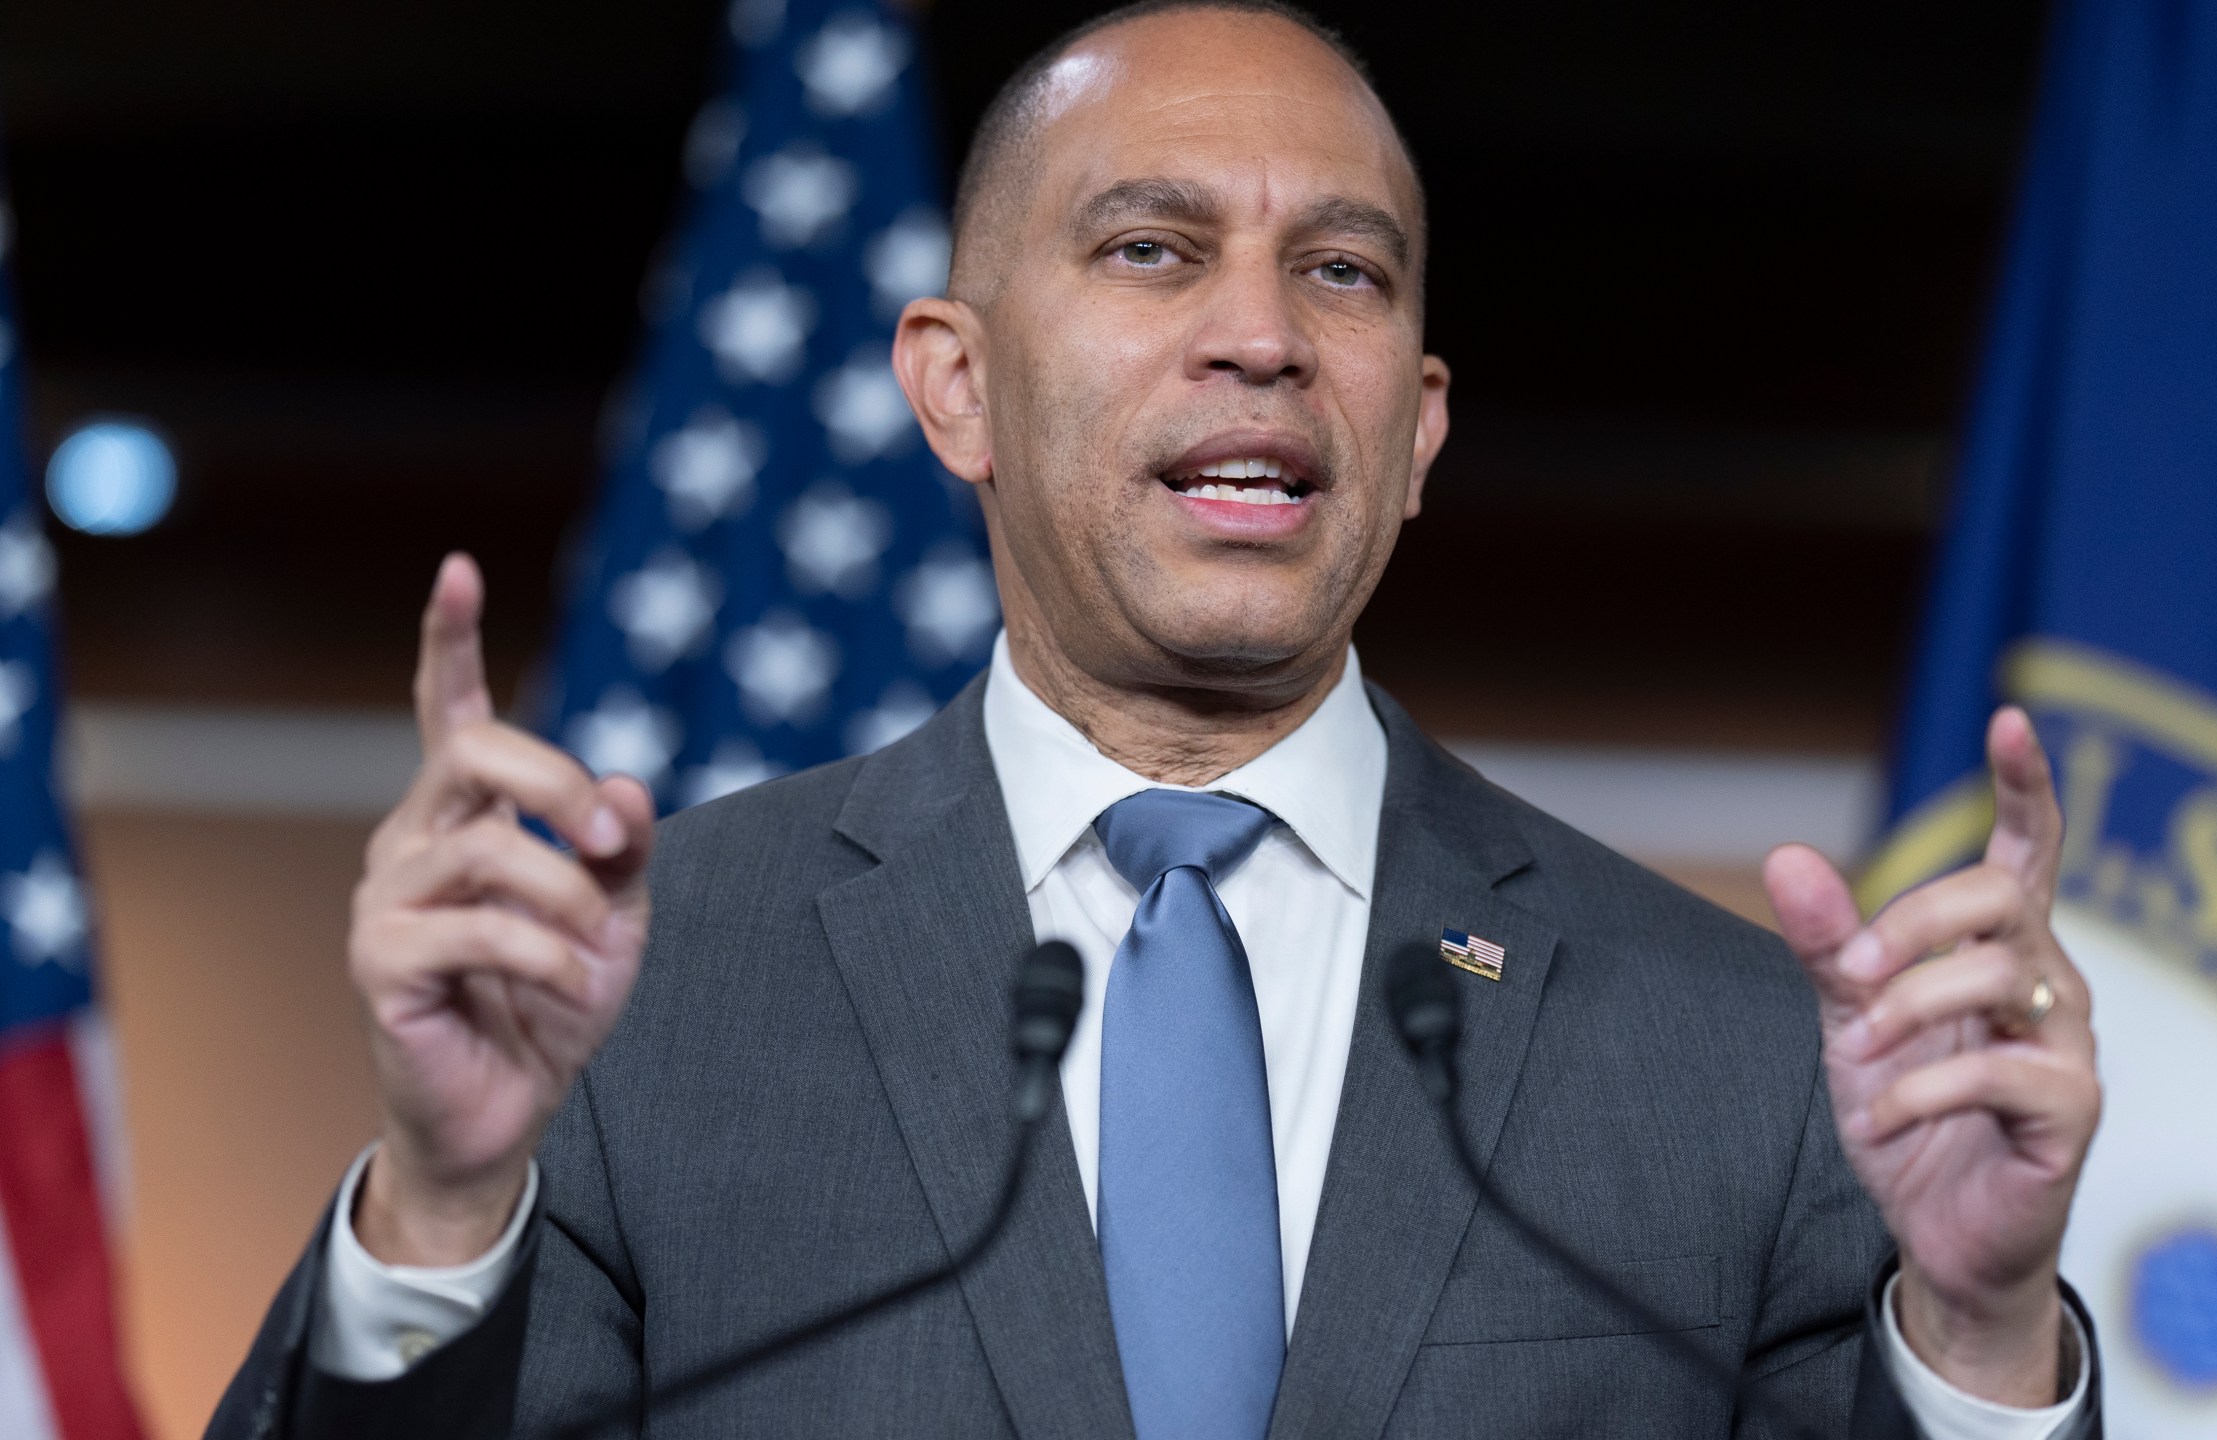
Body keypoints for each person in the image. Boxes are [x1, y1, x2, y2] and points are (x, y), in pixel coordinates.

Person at [209, 3, 2104, 1436]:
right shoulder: (647, 996)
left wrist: (1985, 1345)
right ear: (953, 388)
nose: (1263, 334)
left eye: (1341, 272)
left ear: (1417, 429)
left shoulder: (1739, 1056)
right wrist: (449, 1211)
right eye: (1152, 249)